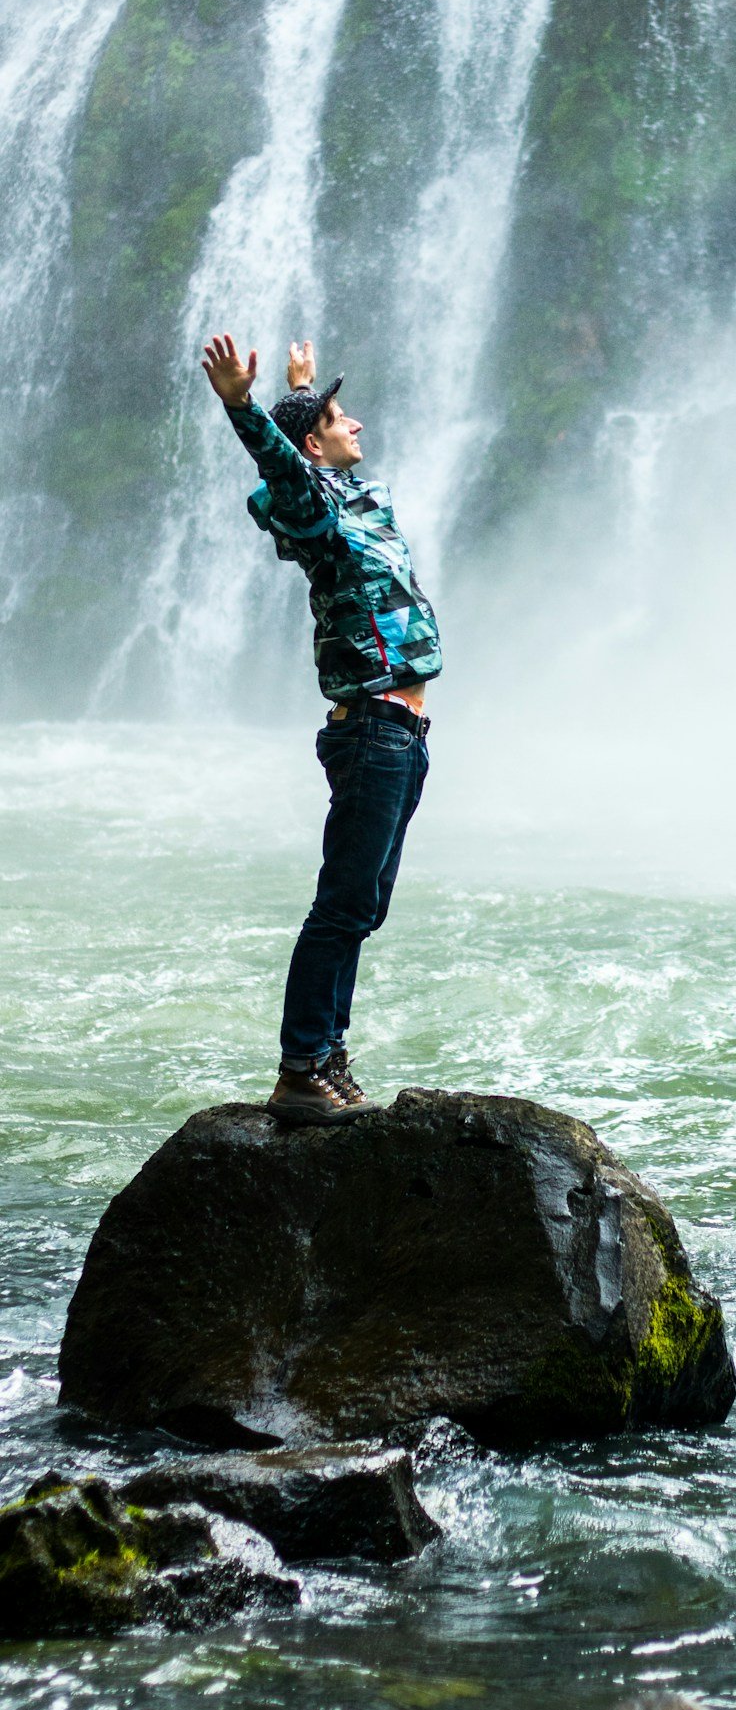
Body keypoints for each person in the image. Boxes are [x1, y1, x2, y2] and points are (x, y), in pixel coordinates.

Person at [201, 332, 442, 1125]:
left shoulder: (359, 501)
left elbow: (313, 463)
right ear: (312, 445)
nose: (359, 424)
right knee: (341, 906)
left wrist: (305, 393)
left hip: (403, 734)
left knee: (362, 907)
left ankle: (327, 1054)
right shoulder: (316, 514)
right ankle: (301, 1066)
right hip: (371, 729)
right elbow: (283, 476)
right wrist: (246, 408)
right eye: (343, 419)